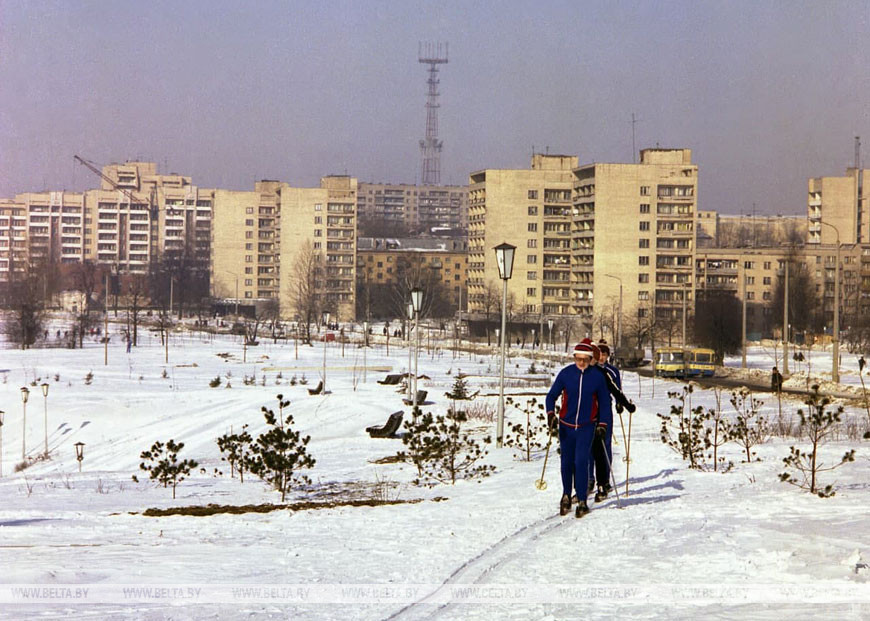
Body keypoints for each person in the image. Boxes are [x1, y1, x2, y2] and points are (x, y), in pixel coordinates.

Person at [545, 341, 612, 518]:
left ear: (590, 359)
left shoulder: (597, 377)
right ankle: (566, 494)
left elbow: (605, 403)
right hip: (566, 426)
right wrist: (551, 413)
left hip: (586, 426)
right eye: (578, 359)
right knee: (567, 462)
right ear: (574, 357)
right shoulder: (566, 374)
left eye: (585, 359)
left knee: (581, 461)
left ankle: (582, 499)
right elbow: (551, 396)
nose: (581, 363)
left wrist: (603, 424)